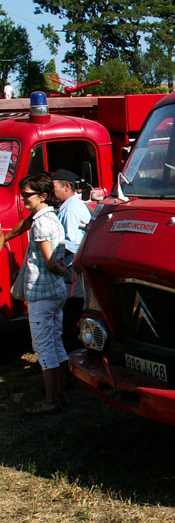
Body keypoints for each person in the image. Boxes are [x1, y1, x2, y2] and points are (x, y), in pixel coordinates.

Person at [1, 174, 68, 414]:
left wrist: (60, 269)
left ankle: (50, 399)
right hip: (55, 292)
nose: (23, 198)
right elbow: (26, 224)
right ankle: (60, 393)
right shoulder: (49, 216)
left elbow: (49, 260)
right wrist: (6, 236)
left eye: (27, 195)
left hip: (42, 293)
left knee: (43, 347)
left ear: (42, 195)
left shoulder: (41, 223)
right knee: (56, 342)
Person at [51, 169, 92, 352]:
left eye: (53, 188)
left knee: (71, 312)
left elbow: (74, 243)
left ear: (66, 186)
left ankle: (73, 352)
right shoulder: (67, 207)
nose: (51, 192)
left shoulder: (72, 209)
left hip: (71, 268)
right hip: (67, 267)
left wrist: (48, 250)